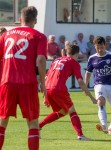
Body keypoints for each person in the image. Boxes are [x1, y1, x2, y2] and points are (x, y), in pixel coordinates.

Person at [0, 6, 47, 150]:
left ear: (20, 19)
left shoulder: (6, 35)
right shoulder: (39, 36)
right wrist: (43, 83)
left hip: (7, 81)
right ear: (35, 20)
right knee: (32, 122)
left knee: (2, 121)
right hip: (27, 82)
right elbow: (40, 60)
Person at [39, 45, 97, 140]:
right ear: (77, 54)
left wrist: (45, 96)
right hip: (58, 88)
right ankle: (80, 135)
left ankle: (39, 126)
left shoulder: (56, 60)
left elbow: (46, 77)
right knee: (71, 110)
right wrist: (91, 97)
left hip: (48, 88)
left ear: (67, 53)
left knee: (62, 111)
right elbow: (80, 81)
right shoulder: (73, 62)